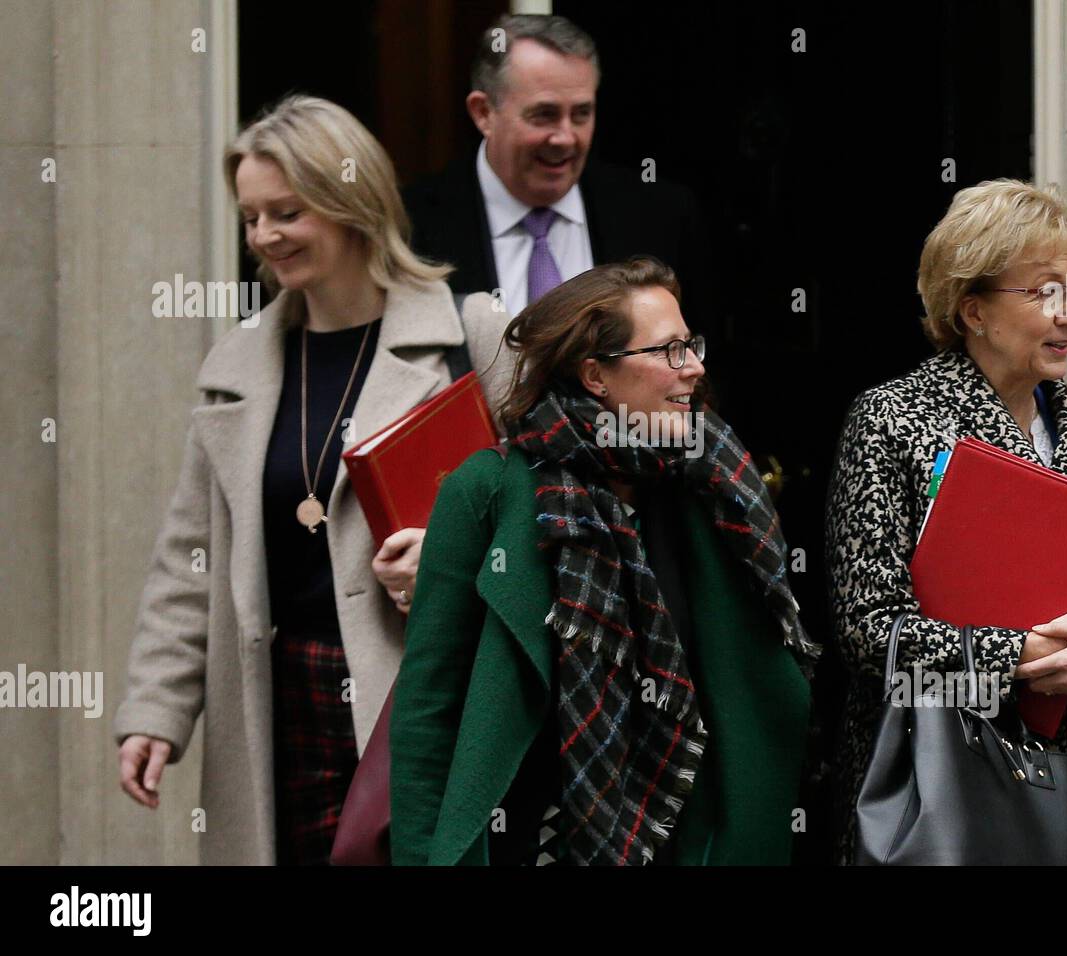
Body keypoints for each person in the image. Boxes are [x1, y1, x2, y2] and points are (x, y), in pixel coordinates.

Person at [113, 95, 514, 865]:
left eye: (286, 212)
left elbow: (550, 510)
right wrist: (154, 713)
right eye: (251, 217)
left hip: (419, 700)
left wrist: (455, 560)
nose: (264, 237)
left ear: (349, 202)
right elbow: (187, 562)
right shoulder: (237, 363)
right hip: (275, 715)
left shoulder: (472, 334)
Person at [389, 257, 816, 865]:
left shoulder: (712, 487)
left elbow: (753, 691)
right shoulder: (487, 493)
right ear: (595, 375)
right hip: (532, 840)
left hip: (686, 839)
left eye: (691, 346)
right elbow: (428, 712)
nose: (694, 367)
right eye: (668, 351)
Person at [825, 179, 1067, 865]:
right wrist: (1019, 656)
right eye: (1045, 291)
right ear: (972, 307)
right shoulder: (893, 419)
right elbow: (868, 629)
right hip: (937, 789)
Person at [403, 14, 714, 323]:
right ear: (484, 113)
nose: (565, 138)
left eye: (581, 114)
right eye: (544, 114)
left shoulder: (659, 215)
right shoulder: (410, 226)